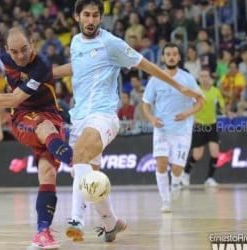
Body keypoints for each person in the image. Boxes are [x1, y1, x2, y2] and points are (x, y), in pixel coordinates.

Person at [52, 0, 202, 243]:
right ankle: (112, 223)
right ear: (77, 17)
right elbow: (78, 66)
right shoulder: (76, 43)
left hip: (104, 116)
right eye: (86, 15)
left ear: (101, 18)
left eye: (95, 15)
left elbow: (147, 65)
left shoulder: (111, 43)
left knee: (79, 154)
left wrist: (179, 86)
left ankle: (76, 219)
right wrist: (45, 74)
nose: (91, 20)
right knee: (90, 179)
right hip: (79, 117)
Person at [0, 27, 73, 249]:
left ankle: (42, 233)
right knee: (45, 127)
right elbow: (15, 104)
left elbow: (13, 98)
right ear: (6, 50)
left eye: (24, 49)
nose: (19, 56)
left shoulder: (40, 66)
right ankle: (75, 163)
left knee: (47, 172)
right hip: (23, 118)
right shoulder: (5, 58)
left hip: (50, 113)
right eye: (14, 51)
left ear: (33, 43)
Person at [142, 43, 203, 213]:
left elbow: (201, 100)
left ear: (179, 57)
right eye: (167, 54)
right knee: (161, 163)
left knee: (177, 168)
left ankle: (176, 182)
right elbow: (146, 103)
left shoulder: (188, 79)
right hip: (161, 129)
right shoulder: (155, 79)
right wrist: (151, 118)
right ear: (162, 57)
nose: (171, 57)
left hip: (182, 130)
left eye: (174, 54)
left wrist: (188, 113)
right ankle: (165, 201)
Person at [182, 68, 225, 187]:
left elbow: (222, 107)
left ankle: (209, 178)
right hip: (199, 125)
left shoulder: (216, 91)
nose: (204, 78)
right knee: (197, 154)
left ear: (210, 78)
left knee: (215, 151)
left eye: (206, 76)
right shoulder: (195, 92)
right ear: (199, 78)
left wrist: (228, 112)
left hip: (212, 125)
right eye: (202, 76)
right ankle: (185, 174)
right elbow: (187, 106)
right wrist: (192, 118)